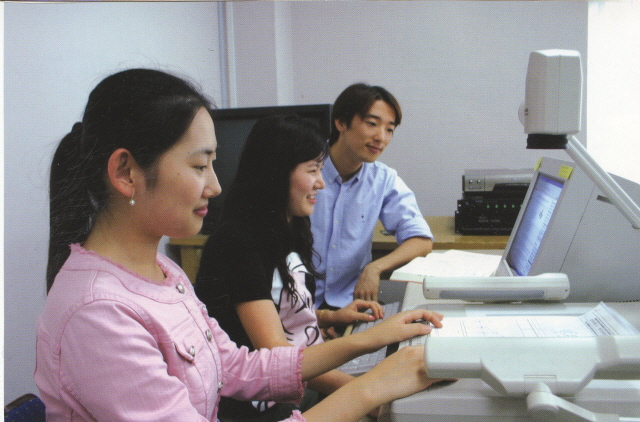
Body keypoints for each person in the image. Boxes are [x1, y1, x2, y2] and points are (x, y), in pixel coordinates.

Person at [35, 68, 445, 422]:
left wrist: (370, 339)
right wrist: (371, 389)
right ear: (126, 172)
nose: (215, 186)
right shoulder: (98, 313)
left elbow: (234, 366)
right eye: (199, 165)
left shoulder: (164, 272)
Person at [195, 114, 391, 420]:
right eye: (312, 170)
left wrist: (329, 316)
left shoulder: (289, 226)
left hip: (304, 382)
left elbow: (277, 307)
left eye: (321, 169)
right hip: (267, 406)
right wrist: (365, 392)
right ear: (276, 172)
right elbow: (278, 358)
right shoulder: (236, 243)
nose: (321, 183)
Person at [310, 83, 434, 309]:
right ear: (341, 123)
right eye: (372, 124)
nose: (381, 137)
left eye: (389, 129)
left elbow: (421, 240)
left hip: (351, 304)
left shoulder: (383, 179)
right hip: (297, 307)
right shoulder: (304, 171)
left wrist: (375, 268)